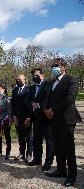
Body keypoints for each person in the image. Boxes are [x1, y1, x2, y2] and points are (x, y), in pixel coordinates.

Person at [43, 58, 82, 187]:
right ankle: (61, 170)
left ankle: (72, 175)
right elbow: (46, 98)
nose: (54, 68)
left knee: (68, 148)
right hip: (53, 119)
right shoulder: (51, 82)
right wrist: (46, 110)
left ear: (64, 67)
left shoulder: (71, 79)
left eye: (57, 66)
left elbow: (69, 99)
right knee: (58, 147)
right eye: (53, 66)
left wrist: (53, 110)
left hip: (66, 119)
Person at [27, 68, 54, 172]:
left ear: (42, 75)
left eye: (36, 75)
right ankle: (37, 159)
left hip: (46, 117)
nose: (35, 77)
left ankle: (48, 163)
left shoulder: (48, 84)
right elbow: (28, 99)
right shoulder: (32, 87)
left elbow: (49, 99)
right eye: (33, 76)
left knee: (49, 141)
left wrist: (39, 105)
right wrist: (31, 105)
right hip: (36, 117)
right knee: (36, 140)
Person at [11, 74, 33, 162]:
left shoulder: (29, 89)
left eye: (20, 79)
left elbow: (31, 105)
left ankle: (29, 154)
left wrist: (29, 117)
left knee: (28, 137)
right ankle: (22, 153)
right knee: (20, 137)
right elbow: (13, 105)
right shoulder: (14, 90)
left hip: (26, 117)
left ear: (25, 80)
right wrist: (14, 116)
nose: (18, 81)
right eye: (17, 79)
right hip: (18, 117)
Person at [0, 84, 11, 160]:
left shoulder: (7, 98)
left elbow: (9, 110)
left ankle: (7, 153)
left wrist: (6, 118)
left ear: (3, 89)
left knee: (7, 137)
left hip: (6, 120)